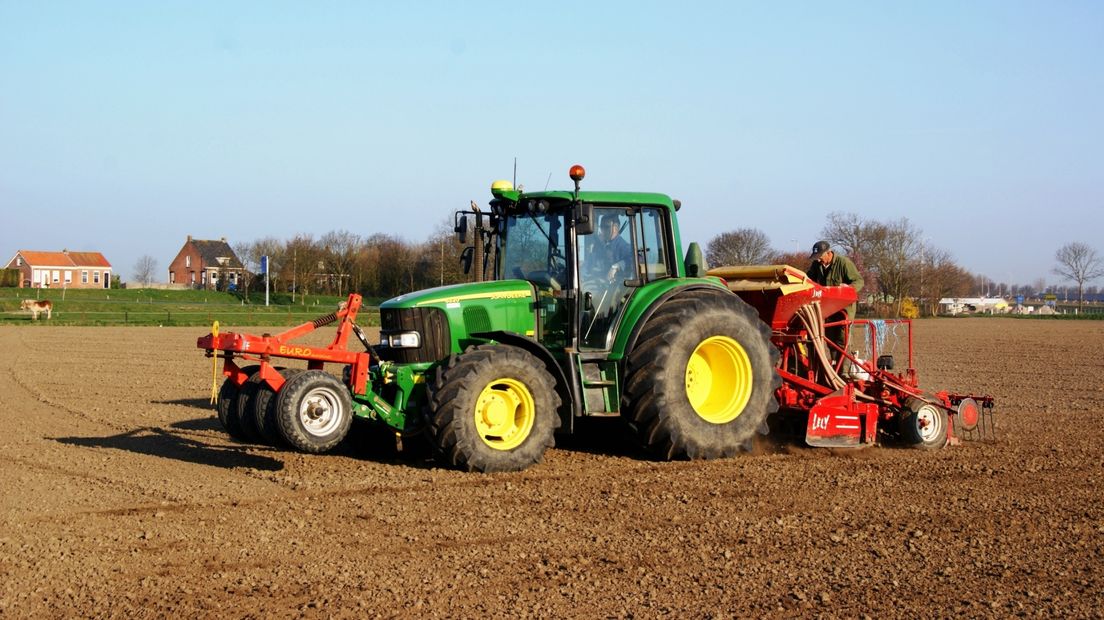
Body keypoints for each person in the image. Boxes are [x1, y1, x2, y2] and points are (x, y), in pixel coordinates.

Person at [807, 240, 864, 359]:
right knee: (830, 338)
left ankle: (843, 373)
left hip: (844, 308)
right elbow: (808, 280)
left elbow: (859, 281)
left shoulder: (844, 263)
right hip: (828, 308)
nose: (818, 260)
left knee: (843, 340)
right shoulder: (816, 265)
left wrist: (849, 288)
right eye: (816, 257)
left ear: (828, 253)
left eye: (820, 256)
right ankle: (834, 368)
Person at [588, 213, 634, 282]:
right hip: (601, 283)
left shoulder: (623, 246)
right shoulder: (602, 247)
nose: (603, 230)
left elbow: (636, 258)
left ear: (615, 228)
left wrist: (617, 266)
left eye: (606, 227)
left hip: (620, 286)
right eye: (601, 227)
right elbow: (589, 265)